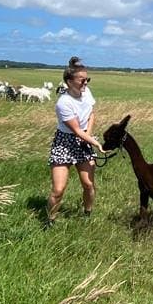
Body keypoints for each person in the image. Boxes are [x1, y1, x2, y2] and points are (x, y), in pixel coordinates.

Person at [46, 56, 103, 226]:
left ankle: (87, 213)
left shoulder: (87, 93)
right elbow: (76, 130)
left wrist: (89, 135)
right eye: (82, 80)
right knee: (58, 189)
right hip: (65, 142)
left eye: (87, 79)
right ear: (69, 82)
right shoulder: (63, 103)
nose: (85, 83)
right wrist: (96, 143)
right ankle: (50, 221)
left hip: (85, 138)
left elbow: (91, 114)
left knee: (88, 184)